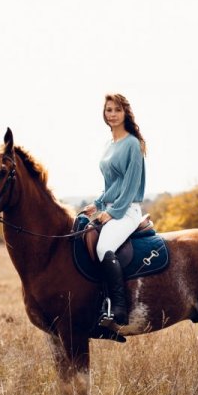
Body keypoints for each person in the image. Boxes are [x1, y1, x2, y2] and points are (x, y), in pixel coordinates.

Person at [83, 93, 147, 326]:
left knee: (104, 247)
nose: (112, 114)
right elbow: (113, 184)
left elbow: (130, 184)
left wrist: (114, 211)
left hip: (127, 210)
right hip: (109, 207)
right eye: (109, 110)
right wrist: (99, 203)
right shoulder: (109, 144)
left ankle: (118, 307)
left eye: (117, 110)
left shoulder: (132, 144)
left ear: (125, 113)